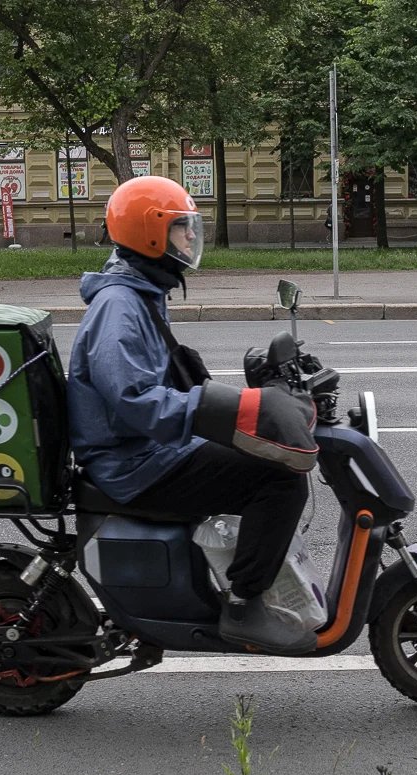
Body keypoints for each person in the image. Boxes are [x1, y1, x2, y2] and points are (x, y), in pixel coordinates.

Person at [67, 175, 316, 655]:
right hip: (134, 463)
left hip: (148, 450)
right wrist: (214, 408)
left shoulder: (141, 292)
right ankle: (245, 606)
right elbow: (136, 401)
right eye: (182, 229)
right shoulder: (119, 307)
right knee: (279, 477)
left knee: (253, 455)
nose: (189, 239)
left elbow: (166, 378)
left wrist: (250, 390)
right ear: (151, 234)